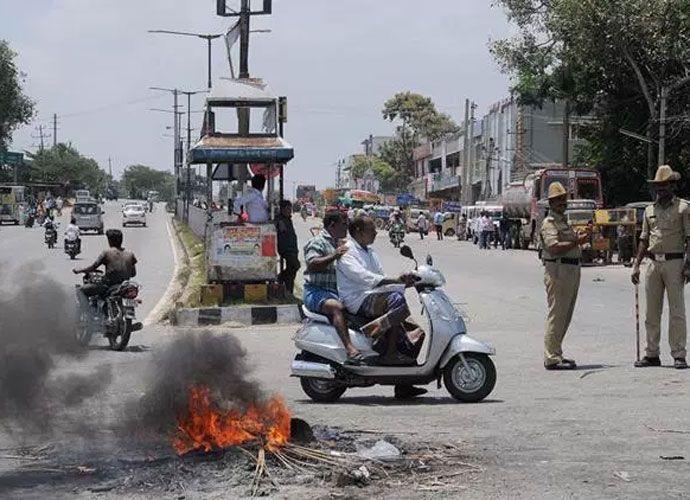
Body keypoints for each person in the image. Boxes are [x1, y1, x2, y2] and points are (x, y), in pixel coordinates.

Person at [337, 216, 427, 398]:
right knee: (396, 300)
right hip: (358, 299)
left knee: (415, 334)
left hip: (373, 296)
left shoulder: (370, 252)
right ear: (358, 232)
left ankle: (404, 385)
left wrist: (406, 282)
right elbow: (364, 278)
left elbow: (380, 277)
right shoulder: (347, 251)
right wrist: (396, 281)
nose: (376, 232)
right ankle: (389, 352)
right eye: (371, 230)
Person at [631, 165, 689, 369]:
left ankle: (679, 354)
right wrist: (636, 265)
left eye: (664, 185)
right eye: (657, 186)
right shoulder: (649, 210)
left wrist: (688, 265)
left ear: (672, 186)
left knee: (677, 311)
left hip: (675, 263)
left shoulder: (683, 207)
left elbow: (689, 238)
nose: (660, 189)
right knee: (651, 312)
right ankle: (652, 353)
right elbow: (643, 240)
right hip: (653, 263)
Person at [540, 182, 590, 370]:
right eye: (558, 200)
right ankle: (551, 357)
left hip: (570, 270)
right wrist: (576, 240)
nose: (562, 203)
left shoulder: (562, 221)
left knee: (565, 315)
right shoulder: (549, 223)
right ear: (551, 203)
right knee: (557, 314)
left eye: (563, 199)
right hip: (558, 271)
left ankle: (556, 353)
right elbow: (553, 247)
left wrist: (577, 237)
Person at [303, 211, 362, 364]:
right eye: (344, 224)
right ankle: (350, 348)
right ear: (332, 225)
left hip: (336, 292)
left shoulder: (339, 243)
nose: (346, 228)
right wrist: (334, 255)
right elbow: (312, 264)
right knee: (337, 307)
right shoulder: (318, 242)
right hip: (317, 291)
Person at [73, 229, 138, 317]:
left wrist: (79, 270)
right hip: (124, 285)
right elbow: (133, 273)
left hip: (108, 285)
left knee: (80, 291)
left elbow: (93, 267)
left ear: (110, 241)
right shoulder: (130, 254)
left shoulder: (107, 253)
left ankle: (89, 315)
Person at [276, 200, 300, 296]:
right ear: (282, 209)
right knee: (295, 265)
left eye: (290, 208)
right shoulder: (280, 220)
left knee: (292, 270)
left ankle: (289, 291)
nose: (289, 210)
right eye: (287, 209)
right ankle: (280, 278)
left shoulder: (288, 219)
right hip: (286, 248)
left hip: (292, 248)